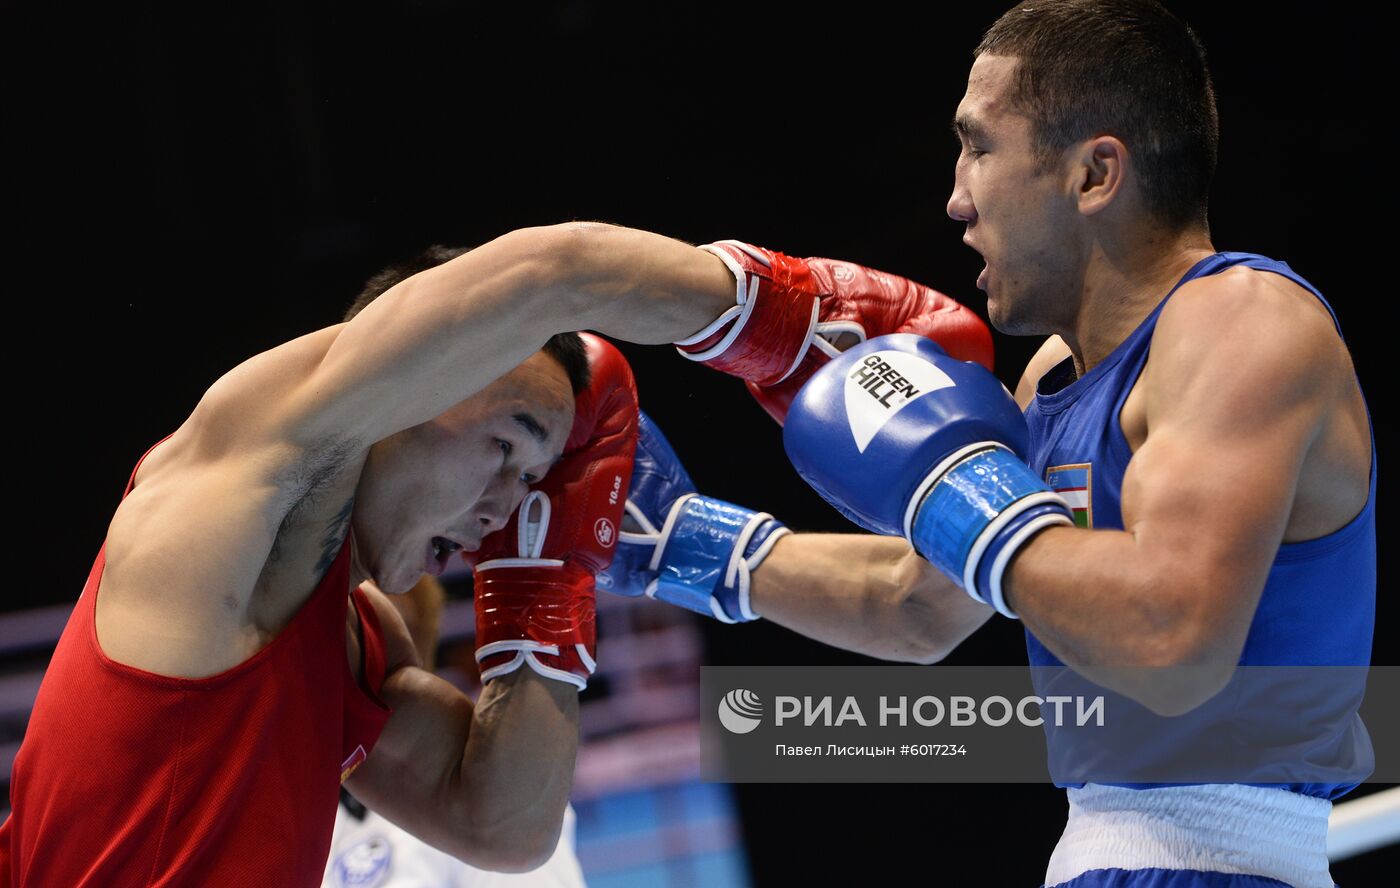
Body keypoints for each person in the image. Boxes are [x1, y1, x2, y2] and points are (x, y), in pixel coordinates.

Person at [0, 223, 988, 886]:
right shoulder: (232, 480)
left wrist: (544, 582)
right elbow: (551, 270)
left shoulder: (348, 639)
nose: (510, 500)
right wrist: (769, 314)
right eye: (508, 441)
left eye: (535, 476)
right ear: (417, 378)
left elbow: (501, 828)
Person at [661, 1, 1372, 886]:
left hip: (1226, 861)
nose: (956, 197)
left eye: (979, 146)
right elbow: (915, 606)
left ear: (1093, 174)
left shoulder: (1241, 319)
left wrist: (960, 493)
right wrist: (685, 545)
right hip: (1099, 855)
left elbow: (1173, 642)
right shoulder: (1052, 378)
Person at [322, 575, 587, 888]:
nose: (365, 661)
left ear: (414, 655)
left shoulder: (505, 788)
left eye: (377, 634)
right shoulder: (305, 800)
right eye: (353, 636)